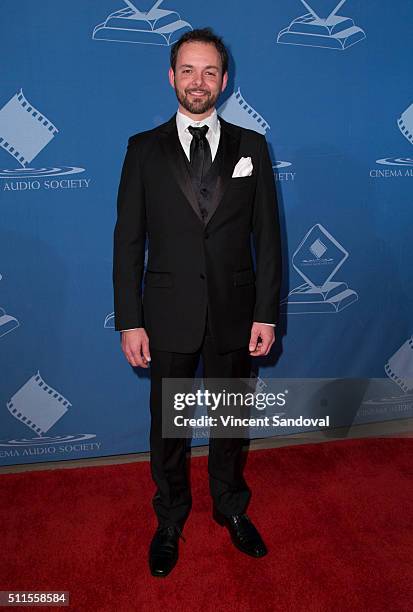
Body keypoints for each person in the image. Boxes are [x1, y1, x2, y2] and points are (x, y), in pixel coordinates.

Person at [113, 27, 282, 577]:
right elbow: (128, 241)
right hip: (166, 314)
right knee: (168, 425)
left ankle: (231, 509)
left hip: (235, 313)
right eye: (188, 70)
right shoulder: (143, 149)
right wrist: (130, 320)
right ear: (171, 76)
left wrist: (265, 312)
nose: (198, 81)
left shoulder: (252, 147)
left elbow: (269, 236)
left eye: (210, 71)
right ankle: (169, 519)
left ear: (224, 80)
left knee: (231, 421)